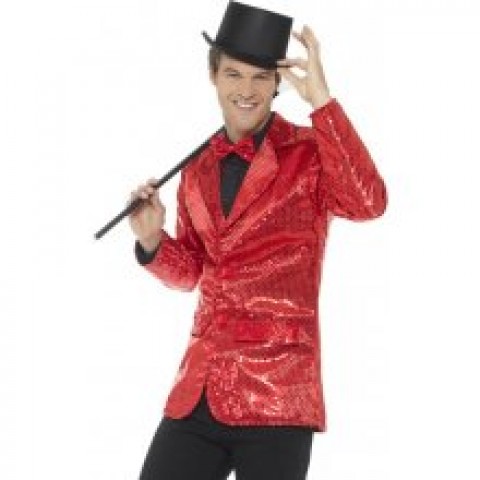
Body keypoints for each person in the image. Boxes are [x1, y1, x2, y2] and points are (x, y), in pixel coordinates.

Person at [128, 2, 387, 479]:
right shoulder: (196, 168)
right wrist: (152, 242)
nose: (246, 91)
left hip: (278, 392)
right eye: (233, 74)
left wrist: (322, 103)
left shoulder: (311, 152)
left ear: (276, 83)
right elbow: (190, 273)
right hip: (199, 390)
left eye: (260, 77)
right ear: (213, 76)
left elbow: (368, 202)